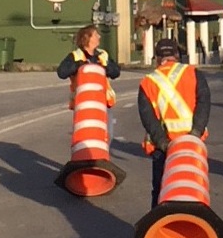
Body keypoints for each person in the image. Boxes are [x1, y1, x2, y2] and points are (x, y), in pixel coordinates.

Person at [138, 38, 211, 207]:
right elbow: (204, 102)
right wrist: (196, 131)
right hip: (192, 145)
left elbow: (148, 117)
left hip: (163, 147)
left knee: (161, 191)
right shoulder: (194, 73)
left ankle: (158, 229)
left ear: (157, 58)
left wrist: (163, 143)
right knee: (194, 189)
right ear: (177, 55)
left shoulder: (148, 82)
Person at [57, 25, 121, 142]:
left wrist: (105, 67)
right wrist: (78, 66)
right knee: (85, 136)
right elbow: (61, 72)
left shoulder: (103, 55)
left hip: (103, 102)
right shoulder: (75, 56)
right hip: (83, 104)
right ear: (88, 38)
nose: (99, 37)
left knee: (107, 136)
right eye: (96, 34)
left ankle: (101, 158)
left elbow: (116, 72)